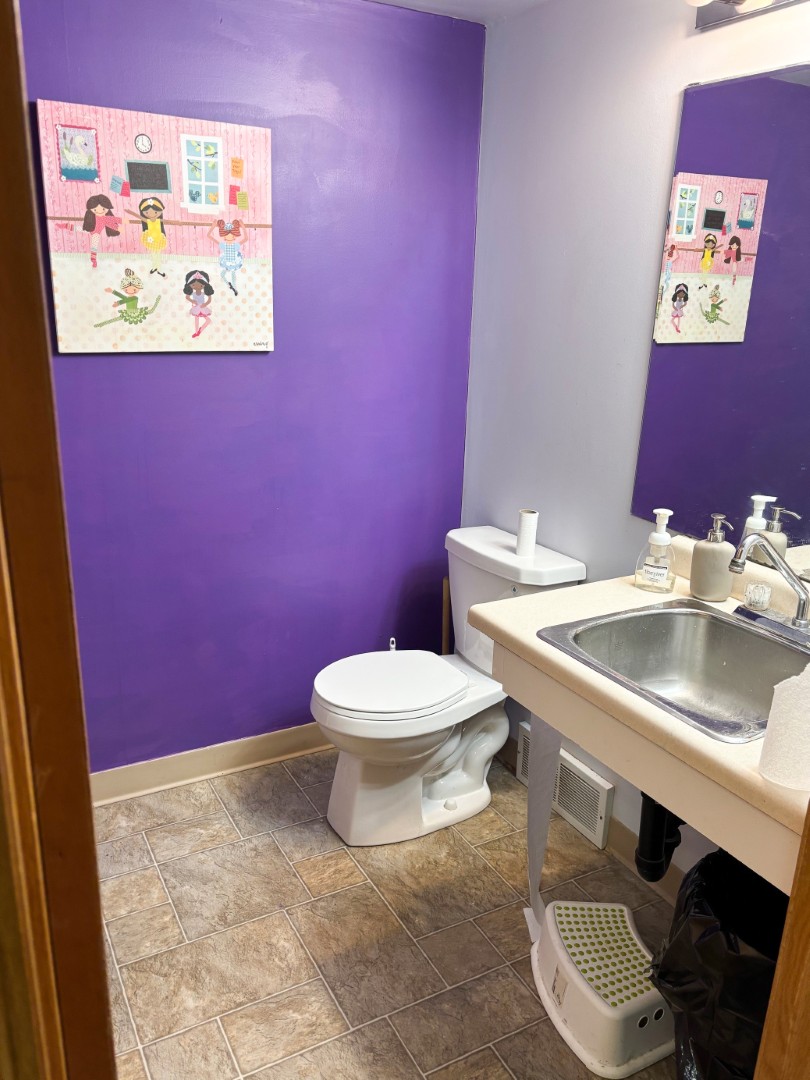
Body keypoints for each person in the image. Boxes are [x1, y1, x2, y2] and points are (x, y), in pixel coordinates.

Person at [55, 194, 121, 268]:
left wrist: (120, 227)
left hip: (96, 233)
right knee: (77, 228)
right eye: (95, 210)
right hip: (90, 228)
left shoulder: (106, 218)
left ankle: (93, 260)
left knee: (94, 246)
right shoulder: (91, 216)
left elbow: (116, 221)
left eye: (103, 209)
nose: (99, 211)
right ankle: (65, 225)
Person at [94, 268, 161, 328]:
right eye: (126, 290)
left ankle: (157, 301)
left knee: (151, 311)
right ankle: (101, 324)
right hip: (128, 313)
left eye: (134, 290)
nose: (130, 291)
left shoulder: (135, 298)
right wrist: (112, 292)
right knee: (115, 319)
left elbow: (126, 299)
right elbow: (124, 298)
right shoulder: (129, 298)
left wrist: (118, 302)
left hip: (135, 313)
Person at [207, 219, 248, 295]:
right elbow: (209, 236)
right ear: (224, 238)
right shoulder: (224, 245)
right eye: (227, 237)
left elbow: (246, 239)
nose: (229, 239)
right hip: (226, 262)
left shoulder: (234, 245)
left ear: (234, 238)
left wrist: (243, 226)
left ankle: (234, 288)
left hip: (233, 262)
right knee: (223, 274)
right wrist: (212, 226)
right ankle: (230, 285)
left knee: (232, 274)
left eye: (231, 237)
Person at [135, 197, 168, 276]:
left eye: (155, 212)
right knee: (153, 254)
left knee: (158, 254)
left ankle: (159, 269)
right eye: (147, 212)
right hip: (150, 239)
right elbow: (140, 217)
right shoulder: (147, 221)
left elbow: (169, 221)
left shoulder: (159, 221)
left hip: (159, 239)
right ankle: (154, 267)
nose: (151, 215)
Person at [183, 269, 214, 338]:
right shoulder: (193, 293)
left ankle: (200, 329)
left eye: (201, 285)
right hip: (196, 308)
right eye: (193, 285)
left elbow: (209, 299)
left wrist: (205, 304)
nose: (197, 287)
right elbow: (187, 297)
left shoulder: (203, 293)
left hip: (202, 307)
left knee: (208, 320)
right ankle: (197, 332)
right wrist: (192, 301)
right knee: (196, 320)